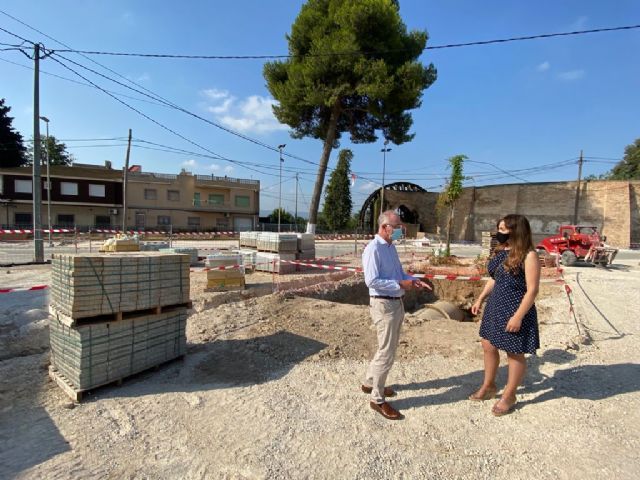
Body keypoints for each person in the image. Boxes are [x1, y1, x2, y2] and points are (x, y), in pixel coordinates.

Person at [361, 210, 431, 420]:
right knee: (387, 352)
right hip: (384, 304)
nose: (401, 229)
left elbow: (398, 274)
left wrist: (414, 280)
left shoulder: (390, 247)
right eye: (397, 226)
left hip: (395, 302)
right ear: (385, 227)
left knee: (386, 348)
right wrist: (400, 284)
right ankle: (377, 398)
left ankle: (369, 382)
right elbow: (371, 281)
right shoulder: (373, 249)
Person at [470, 214, 541, 416]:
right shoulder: (502, 251)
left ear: (516, 231)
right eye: (498, 229)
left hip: (515, 309)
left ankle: (509, 395)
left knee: (514, 352)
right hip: (495, 306)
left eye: (502, 230)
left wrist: (518, 316)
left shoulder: (529, 256)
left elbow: (532, 290)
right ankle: (489, 385)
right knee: (487, 345)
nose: (498, 233)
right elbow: (495, 279)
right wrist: (480, 298)